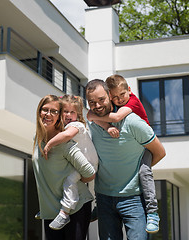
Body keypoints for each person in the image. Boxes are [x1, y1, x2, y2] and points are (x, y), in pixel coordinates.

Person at [85, 80, 166, 240]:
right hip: (103, 198)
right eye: (92, 102)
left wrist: (140, 171)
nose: (97, 105)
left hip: (134, 199)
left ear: (110, 95)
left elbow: (160, 152)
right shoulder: (92, 121)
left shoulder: (133, 122)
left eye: (101, 99)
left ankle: (152, 212)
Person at [32, 95, 96, 240]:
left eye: (54, 111)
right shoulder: (37, 141)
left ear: (58, 116)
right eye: (45, 110)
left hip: (75, 208)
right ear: (39, 112)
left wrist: (72, 180)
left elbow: (90, 173)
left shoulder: (64, 142)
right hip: (50, 210)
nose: (48, 114)